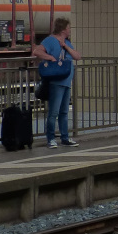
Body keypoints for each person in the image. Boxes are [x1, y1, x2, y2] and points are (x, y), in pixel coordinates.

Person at [38, 16, 81, 148]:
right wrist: (49, 57)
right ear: (63, 30)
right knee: (54, 112)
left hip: (67, 81)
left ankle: (65, 137)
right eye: (68, 28)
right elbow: (37, 51)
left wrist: (66, 47)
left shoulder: (67, 43)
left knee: (64, 112)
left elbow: (77, 56)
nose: (70, 30)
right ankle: (50, 138)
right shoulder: (50, 40)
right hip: (56, 81)